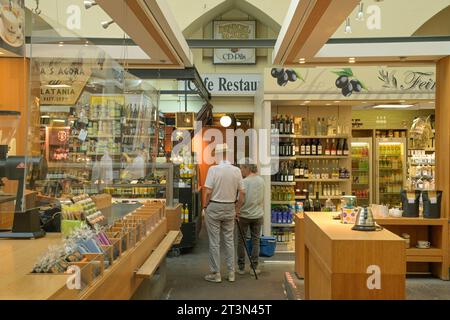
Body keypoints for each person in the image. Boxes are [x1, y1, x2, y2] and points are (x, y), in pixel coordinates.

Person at [203, 143, 244, 283]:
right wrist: (237, 209)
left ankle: (216, 274)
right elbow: (242, 193)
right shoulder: (236, 171)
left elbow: (208, 191)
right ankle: (231, 273)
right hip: (230, 207)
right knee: (229, 241)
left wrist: (205, 205)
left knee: (214, 242)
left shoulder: (213, 170)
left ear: (218, 155)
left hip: (214, 206)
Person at [237, 160, 265, 276]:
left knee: (241, 241)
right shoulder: (262, 180)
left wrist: (237, 209)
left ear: (247, 168)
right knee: (255, 241)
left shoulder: (244, 182)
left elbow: (241, 198)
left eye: (242, 168)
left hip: (244, 215)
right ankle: (254, 267)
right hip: (258, 215)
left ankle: (241, 268)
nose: (241, 171)